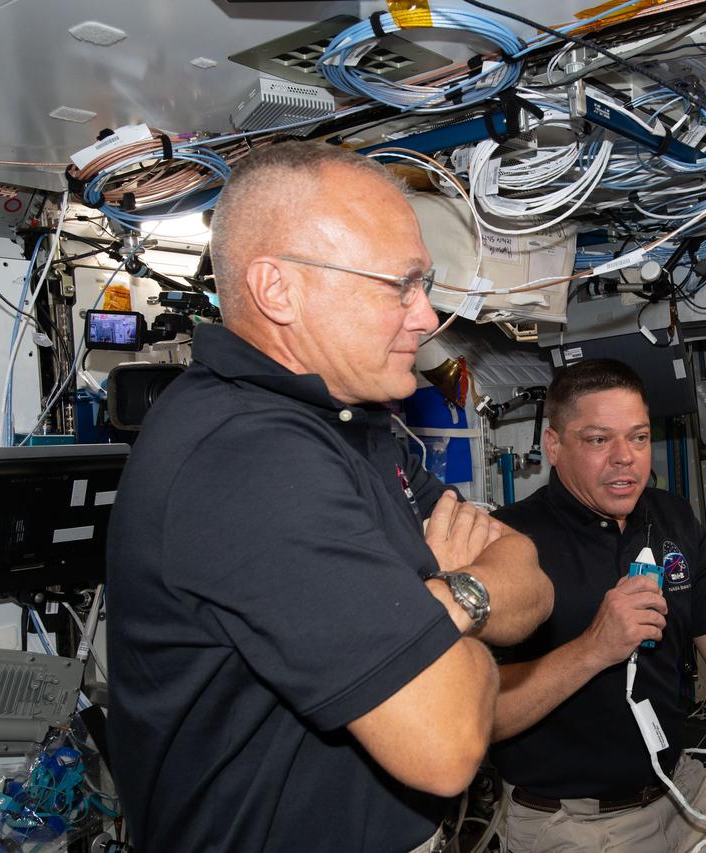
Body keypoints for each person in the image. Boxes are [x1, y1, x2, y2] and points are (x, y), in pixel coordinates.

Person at [106, 141, 553, 853]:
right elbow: (447, 741)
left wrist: (445, 600)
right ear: (278, 289)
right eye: (399, 285)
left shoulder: (350, 422)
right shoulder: (247, 457)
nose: (426, 316)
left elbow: (530, 575)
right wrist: (458, 599)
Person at [489, 359, 706, 853]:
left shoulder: (670, 517)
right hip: (575, 824)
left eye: (637, 437)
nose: (625, 458)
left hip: (684, 790)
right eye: (597, 439)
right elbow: (482, 713)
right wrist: (595, 648)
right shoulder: (506, 544)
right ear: (554, 446)